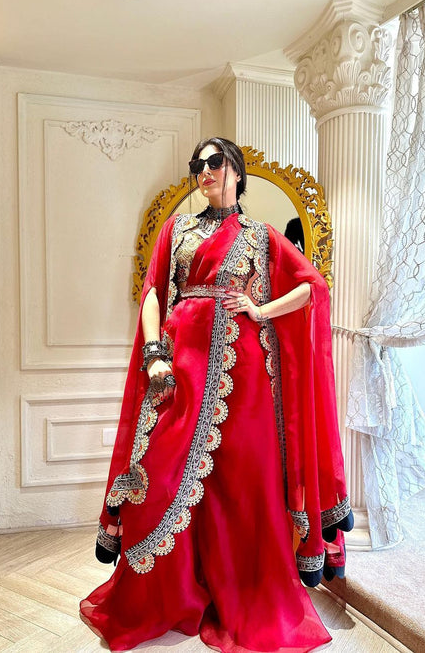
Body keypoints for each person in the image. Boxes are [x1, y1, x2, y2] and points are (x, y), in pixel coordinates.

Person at [80, 137, 353, 652]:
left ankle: (240, 593)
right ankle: (168, 596)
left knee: (243, 485)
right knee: (158, 476)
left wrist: (260, 310)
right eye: (198, 164)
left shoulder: (261, 236)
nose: (204, 171)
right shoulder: (177, 230)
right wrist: (154, 353)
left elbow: (312, 287)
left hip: (243, 379)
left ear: (236, 173)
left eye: (215, 162)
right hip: (180, 369)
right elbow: (154, 292)